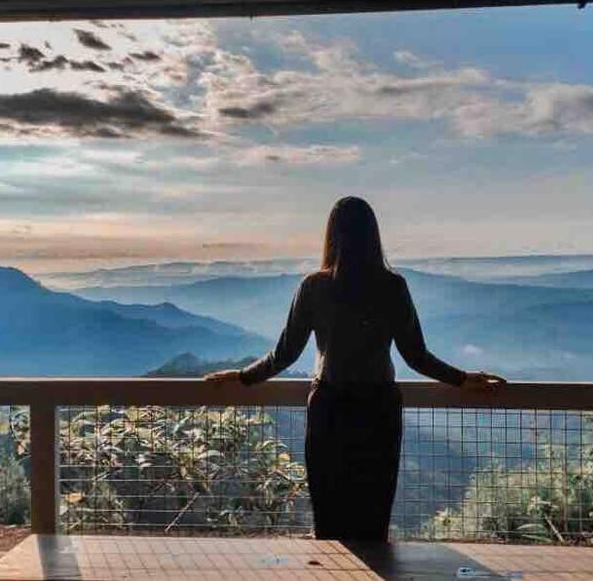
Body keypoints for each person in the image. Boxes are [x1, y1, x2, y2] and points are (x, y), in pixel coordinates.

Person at [205, 196, 505, 541]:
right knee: (373, 515)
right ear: (373, 235)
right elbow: (416, 356)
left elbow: (284, 353)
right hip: (379, 409)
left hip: (329, 409)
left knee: (329, 518)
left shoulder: (314, 287)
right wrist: (463, 378)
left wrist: (243, 377)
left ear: (332, 235)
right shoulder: (393, 287)